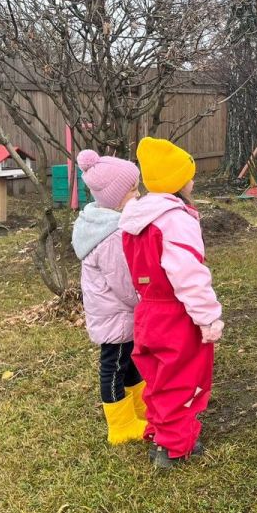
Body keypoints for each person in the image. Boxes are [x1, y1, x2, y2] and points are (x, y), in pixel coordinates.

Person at [119, 137, 224, 470]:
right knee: (184, 379)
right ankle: (174, 447)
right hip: (176, 313)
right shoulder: (176, 220)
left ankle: (159, 433)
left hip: (147, 311)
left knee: (158, 377)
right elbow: (189, 274)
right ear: (179, 180)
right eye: (188, 172)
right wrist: (208, 318)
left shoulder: (135, 219)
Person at [71, 150, 146, 446]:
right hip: (116, 314)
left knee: (129, 363)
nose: (138, 193)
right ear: (114, 197)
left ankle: (140, 409)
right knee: (114, 367)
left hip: (117, 314)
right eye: (132, 189)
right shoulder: (111, 236)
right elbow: (124, 284)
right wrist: (144, 301)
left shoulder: (104, 224)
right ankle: (120, 425)